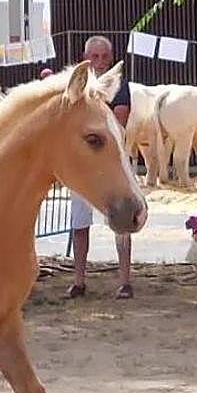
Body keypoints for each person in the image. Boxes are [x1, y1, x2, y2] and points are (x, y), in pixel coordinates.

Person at [65, 35, 135, 300]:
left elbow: (118, 123)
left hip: (110, 164)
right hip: (83, 166)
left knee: (122, 220)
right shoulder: (77, 89)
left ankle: (125, 280)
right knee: (79, 223)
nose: (100, 62)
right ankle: (79, 279)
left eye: (105, 57)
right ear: (86, 59)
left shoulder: (119, 86)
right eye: (95, 57)